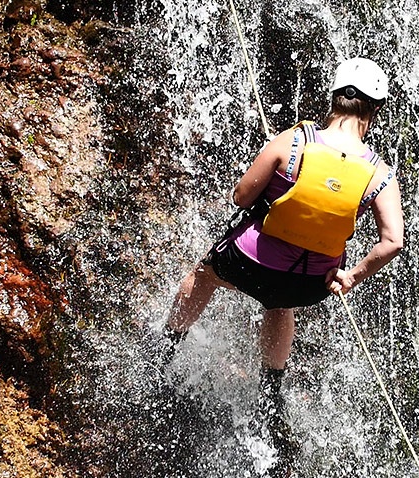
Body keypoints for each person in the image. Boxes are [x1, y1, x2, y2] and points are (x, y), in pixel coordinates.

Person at [161, 57, 404, 409]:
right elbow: (393, 242)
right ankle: (271, 395)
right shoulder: (379, 173)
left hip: (248, 261)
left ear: (334, 96)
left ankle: (165, 352)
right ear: (375, 108)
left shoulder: (294, 141)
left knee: (204, 275)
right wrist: (351, 277)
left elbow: (241, 196)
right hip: (310, 283)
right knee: (280, 303)